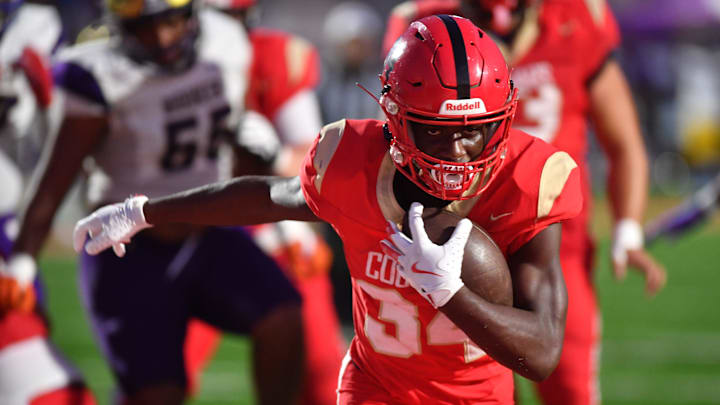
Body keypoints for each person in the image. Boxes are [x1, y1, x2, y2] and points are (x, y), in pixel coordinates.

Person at [74, 15, 584, 403]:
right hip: (373, 388)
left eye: (474, 129)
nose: (458, 152)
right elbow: (268, 196)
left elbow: (540, 353)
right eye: (437, 129)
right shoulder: (352, 164)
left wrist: (449, 293)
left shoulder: (530, 178)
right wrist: (146, 212)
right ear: (396, 119)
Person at [0, 1, 305, 404]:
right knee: (159, 394)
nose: (162, 39)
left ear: (193, 14)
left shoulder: (226, 43)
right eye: (145, 27)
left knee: (283, 317)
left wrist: (259, 153)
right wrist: (22, 263)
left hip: (205, 235)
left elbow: (237, 141)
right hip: (127, 248)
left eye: (172, 22)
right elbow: (57, 177)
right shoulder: (98, 74)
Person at [383, 1, 667, 403]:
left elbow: (623, 141)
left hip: (551, 240)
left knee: (570, 388)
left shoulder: (579, 18)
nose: (500, 20)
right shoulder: (425, 25)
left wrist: (628, 228)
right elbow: (396, 127)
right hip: (454, 238)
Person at [189, 1, 345, 403]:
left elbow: (313, 163)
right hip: (189, 225)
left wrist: (274, 156)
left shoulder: (273, 58)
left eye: (232, 19)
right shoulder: (158, 70)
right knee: (162, 374)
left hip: (266, 219)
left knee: (321, 374)